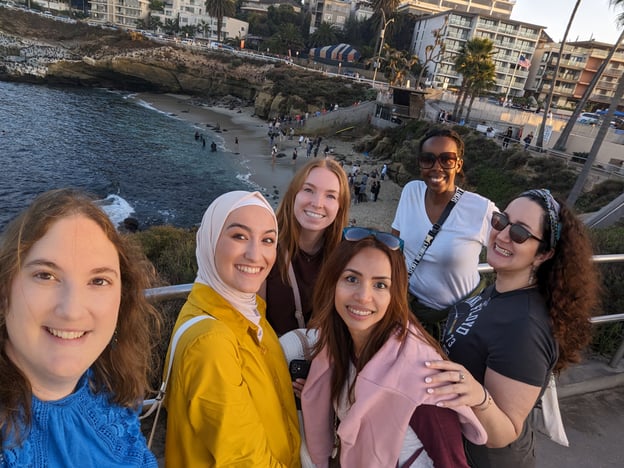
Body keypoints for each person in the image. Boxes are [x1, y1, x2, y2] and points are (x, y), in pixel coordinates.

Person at [424, 189, 600, 467]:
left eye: (520, 233)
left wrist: (479, 397)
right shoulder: (501, 290)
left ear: (543, 254)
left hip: (480, 458)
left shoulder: (525, 327)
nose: (503, 234)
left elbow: (504, 432)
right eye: (500, 221)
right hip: (452, 443)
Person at [0, 188, 160, 466]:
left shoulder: (112, 389)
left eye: (98, 281)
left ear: (122, 299)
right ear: (5, 291)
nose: (72, 310)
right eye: (45, 275)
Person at [301, 229, 488, 467]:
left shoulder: (423, 383)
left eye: (380, 285)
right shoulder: (339, 345)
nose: (363, 296)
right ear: (332, 283)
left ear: (394, 294)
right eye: (351, 279)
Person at [164, 191, 301, 466]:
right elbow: (245, 460)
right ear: (210, 239)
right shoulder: (211, 343)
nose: (255, 255)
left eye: (267, 240)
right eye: (239, 236)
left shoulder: (249, 313)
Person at [392, 127, 496, 338]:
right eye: (427, 159)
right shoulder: (411, 191)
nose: (436, 167)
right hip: (412, 311)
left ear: (458, 164)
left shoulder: (480, 209)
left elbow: (512, 251)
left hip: (460, 319)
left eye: (446, 159)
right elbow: (394, 244)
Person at [264, 159, 350, 336]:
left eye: (330, 196)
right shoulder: (266, 247)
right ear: (293, 194)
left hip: (325, 359)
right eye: (309, 190)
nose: (317, 203)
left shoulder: (346, 256)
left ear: (340, 206)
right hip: (271, 357)